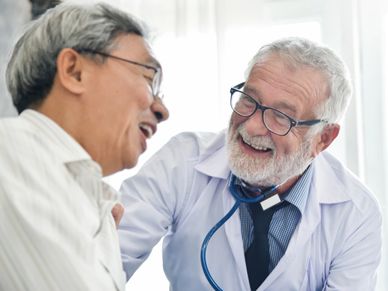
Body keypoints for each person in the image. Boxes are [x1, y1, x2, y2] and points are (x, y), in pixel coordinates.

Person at [118, 37, 382, 291]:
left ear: (322, 140)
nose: (252, 125)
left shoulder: (355, 213)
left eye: (281, 117)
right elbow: (107, 259)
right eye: (249, 100)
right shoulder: (183, 161)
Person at [0, 2, 168, 291]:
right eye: (147, 78)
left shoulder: (96, 205)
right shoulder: (11, 153)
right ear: (74, 71)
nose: (162, 110)